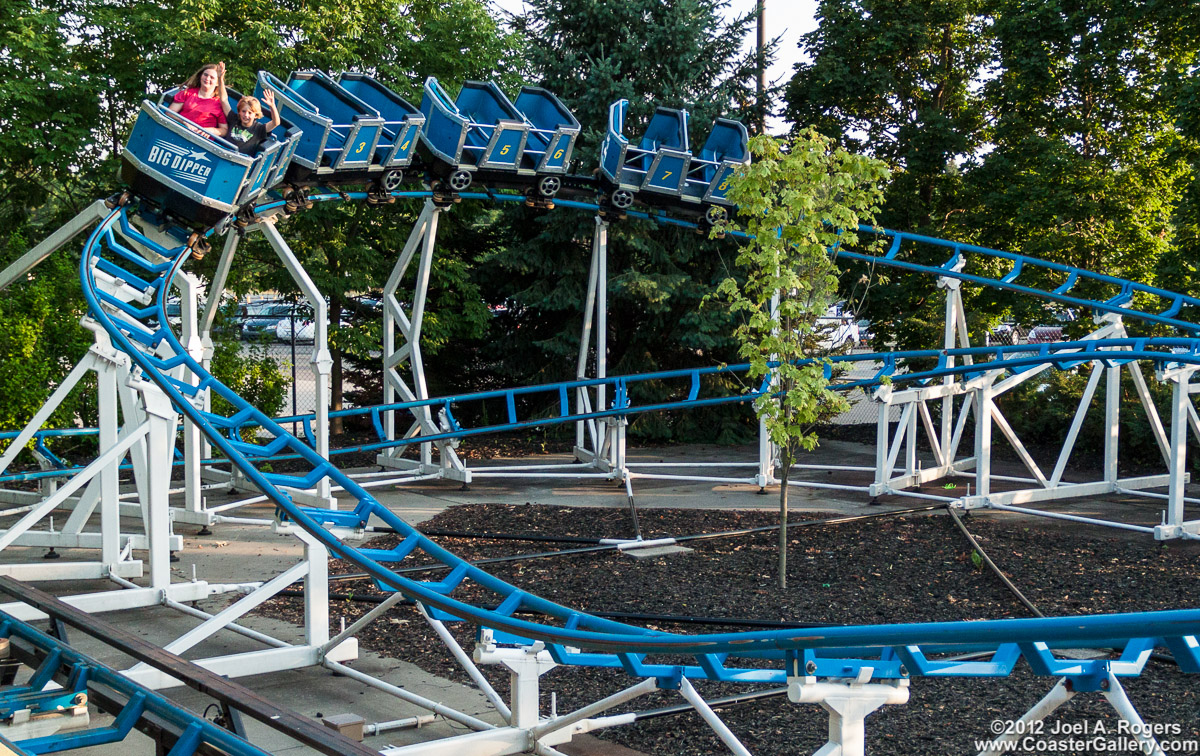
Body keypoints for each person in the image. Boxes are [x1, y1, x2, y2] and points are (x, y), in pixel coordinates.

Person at [169, 62, 230, 137]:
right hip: (180, 133)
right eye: (205, 75)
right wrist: (184, 122)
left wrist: (210, 131)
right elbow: (170, 113)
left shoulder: (219, 104)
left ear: (217, 82)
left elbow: (224, 130)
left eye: (212, 77)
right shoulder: (187, 93)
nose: (207, 79)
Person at [226, 90, 281, 155]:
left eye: (250, 113)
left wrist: (272, 106)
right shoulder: (234, 119)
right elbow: (224, 100)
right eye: (243, 111)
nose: (246, 115)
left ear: (256, 115)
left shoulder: (259, 129)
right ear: (239, 112)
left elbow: (276, 123)